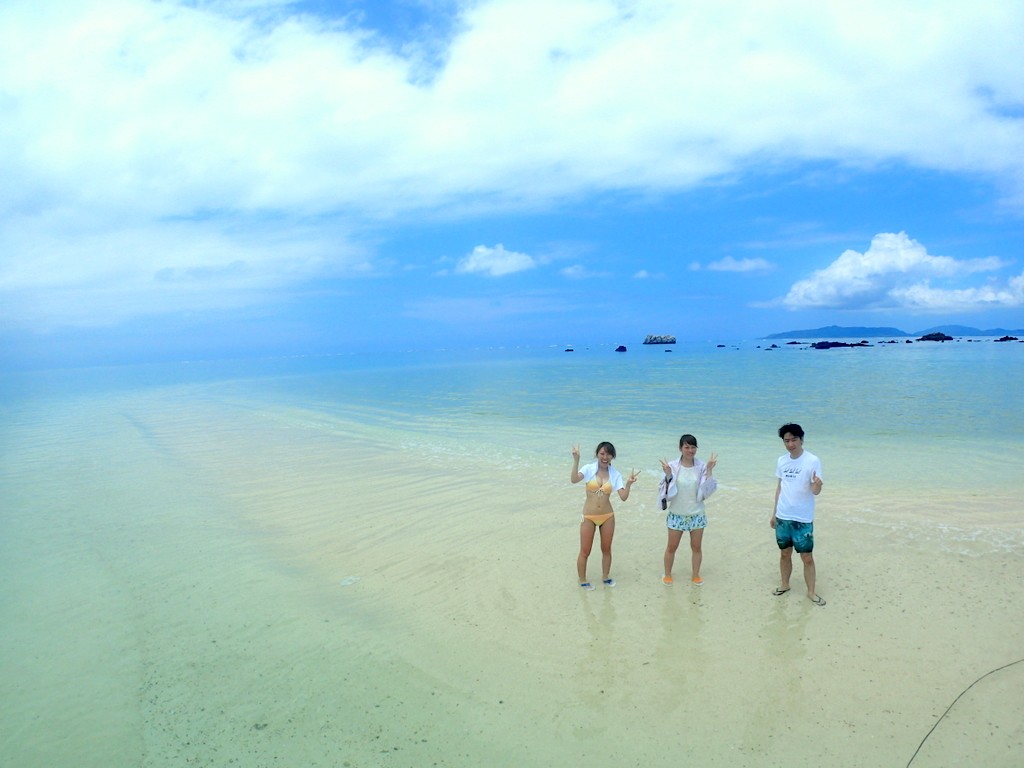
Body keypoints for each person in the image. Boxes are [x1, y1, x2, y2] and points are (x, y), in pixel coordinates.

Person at [770, 423, 825, 606]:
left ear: (801, 439)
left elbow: (816, 490)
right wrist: (774, 514)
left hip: (803, 518)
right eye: (787, 440)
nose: (791, 444)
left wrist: (817, 484)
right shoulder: (782, 461)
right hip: (783, 515)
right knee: (784, 553)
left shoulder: (812, 460)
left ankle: (811, 592)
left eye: (794, 439)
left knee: (807, 557)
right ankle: (785, 585)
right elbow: (780, 487)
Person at [570, 442, 638, 590]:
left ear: (612, 456)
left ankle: (605, 577)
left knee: (606, 549)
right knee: (585, 550)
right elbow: (574, 479)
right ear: (597, 455)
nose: (605, 457)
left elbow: (623, 497)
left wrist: (628, 484)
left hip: (608, 516)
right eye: (602, 453)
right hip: (588, 516)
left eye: (608, 454)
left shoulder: (615, 474)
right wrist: (576, 460)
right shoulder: (588, 469)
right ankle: (582, 580)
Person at [658, 434, 718, 585]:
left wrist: (710, 470)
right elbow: (664, 491)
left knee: (696, 547)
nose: (690, 450)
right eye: (686, 447)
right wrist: (667, 475)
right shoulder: (671, 466)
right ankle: (667, 574)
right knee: (671, 547)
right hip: (677, 514)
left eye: (693, 447)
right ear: (680, 448)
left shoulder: (702, 466)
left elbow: (707, 491)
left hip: (696, 513)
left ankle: (696, 575)